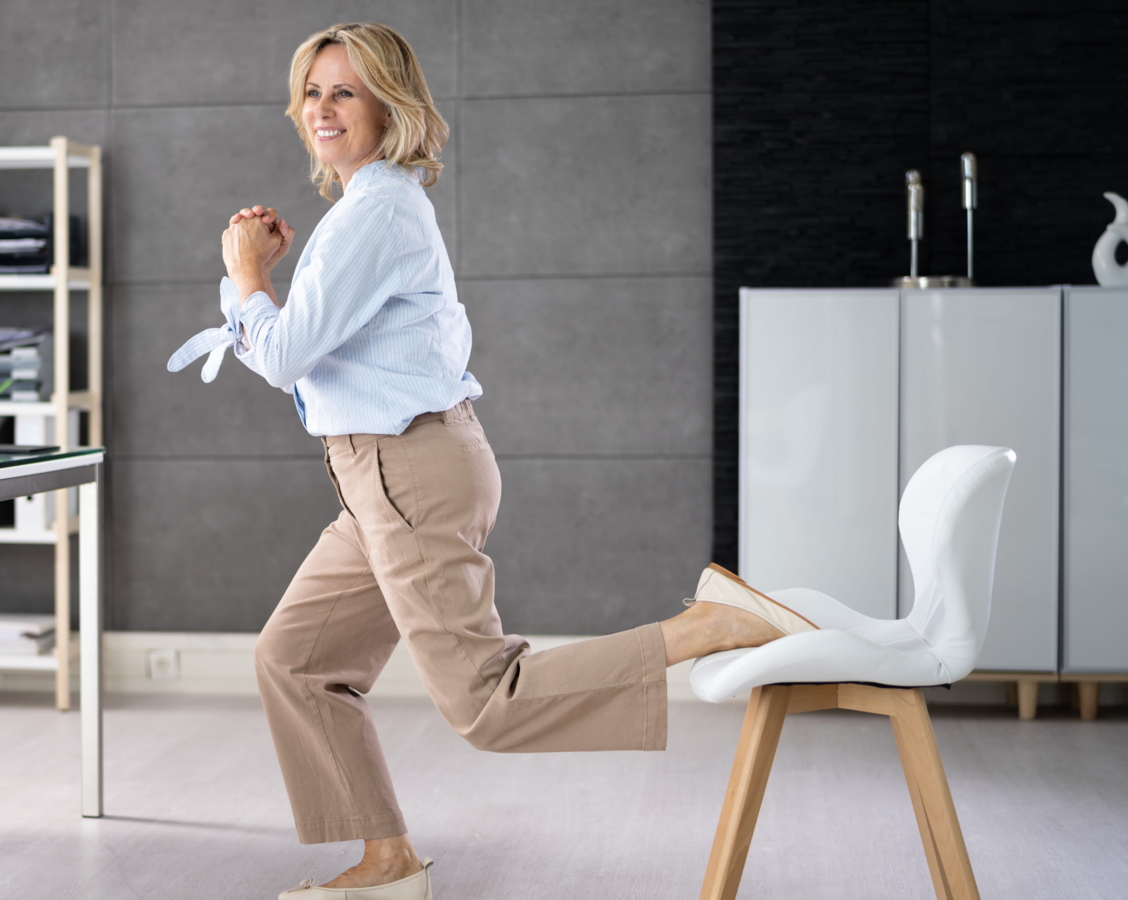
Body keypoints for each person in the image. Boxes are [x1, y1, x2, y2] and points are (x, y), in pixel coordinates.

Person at [168, 22, 816, 900]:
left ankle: (709, 626)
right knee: (295, 660)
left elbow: (281, 356)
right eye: (314, 92)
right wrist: (255, 286)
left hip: (404, 471)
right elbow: (297, 354)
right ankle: (387, 862)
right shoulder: (363, 208)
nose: (322, 109)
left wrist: (244, 275)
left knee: (486, 703)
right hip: (381, 476)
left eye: (345, 92)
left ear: (388, 105)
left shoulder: (380, 209)